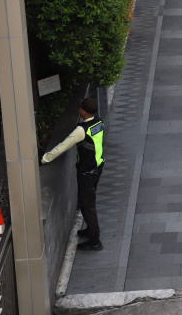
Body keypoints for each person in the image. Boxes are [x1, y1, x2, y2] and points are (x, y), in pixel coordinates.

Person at [41, 97, 105, 251]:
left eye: (80, 107)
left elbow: (63, 146)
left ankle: (95, 240)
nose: (79, 109)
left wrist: (45, 159)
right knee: (87, 202)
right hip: (97, 167)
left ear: (83, 111)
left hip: (87, 172)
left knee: (87, 205)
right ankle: (90, 231)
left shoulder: (81, 130)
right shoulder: (98, 122)